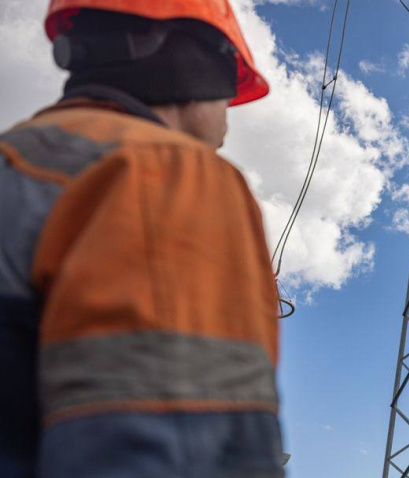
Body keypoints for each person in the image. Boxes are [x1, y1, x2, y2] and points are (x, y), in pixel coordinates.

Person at [0, 1, 284, 476]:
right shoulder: (162, 171)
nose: (226, 122)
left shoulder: (18, 161)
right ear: (196, 65)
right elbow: (176, 448)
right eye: (228, 92)